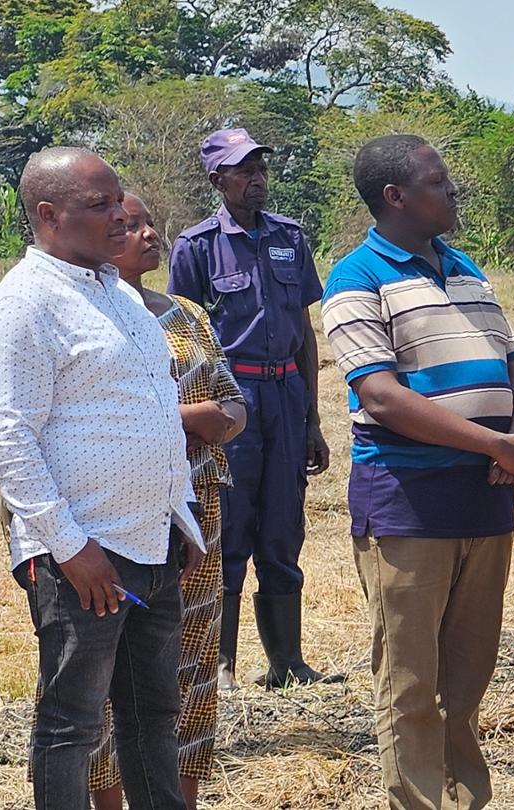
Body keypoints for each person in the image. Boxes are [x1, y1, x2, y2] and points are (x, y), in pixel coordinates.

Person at [0, 147, 205, 810]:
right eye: (99, 205)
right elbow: (7, 437)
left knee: (153, 714)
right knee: (73, 726)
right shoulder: (26, 304)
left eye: (118, 200)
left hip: (153, 543)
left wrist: (181, 514)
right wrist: (68, 546)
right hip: (85, 556)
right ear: (48, 215)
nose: (120, 216)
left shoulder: (118, 294)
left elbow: (158, 408)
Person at [321, 133, 514, 810]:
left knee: (468, 678)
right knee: (411, 681)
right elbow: (381, 396)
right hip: (409, 502)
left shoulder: (467, 267)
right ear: (396, 197)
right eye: (439, 183)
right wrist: (492, 445)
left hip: (486, 498)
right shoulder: (355, 277)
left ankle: (466, 798)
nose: (452, 193)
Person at [83, 193, 247, 810]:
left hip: (198, 510)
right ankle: (109, 799)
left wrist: (202, 417)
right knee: (110, 671)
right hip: (118, 515)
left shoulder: (187, 315)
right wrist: (191, 417)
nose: (149, 233)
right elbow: (92, 419)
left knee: (194, 660)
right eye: (126, 225)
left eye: (150, 222)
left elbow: (233, 405)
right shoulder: (85, 318)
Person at [166, 128, 338, 689]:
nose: (256, 177)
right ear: (217, 179)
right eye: (243, 169)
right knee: (230, 526)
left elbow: (305, 333)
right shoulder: (195, 247)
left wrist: (313, 419)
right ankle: (221, 665)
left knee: (285, 526)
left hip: (286, 393)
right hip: (230, 398)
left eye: (260, 166)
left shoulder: (290, 236)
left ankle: (287, 662)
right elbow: (179, 337)